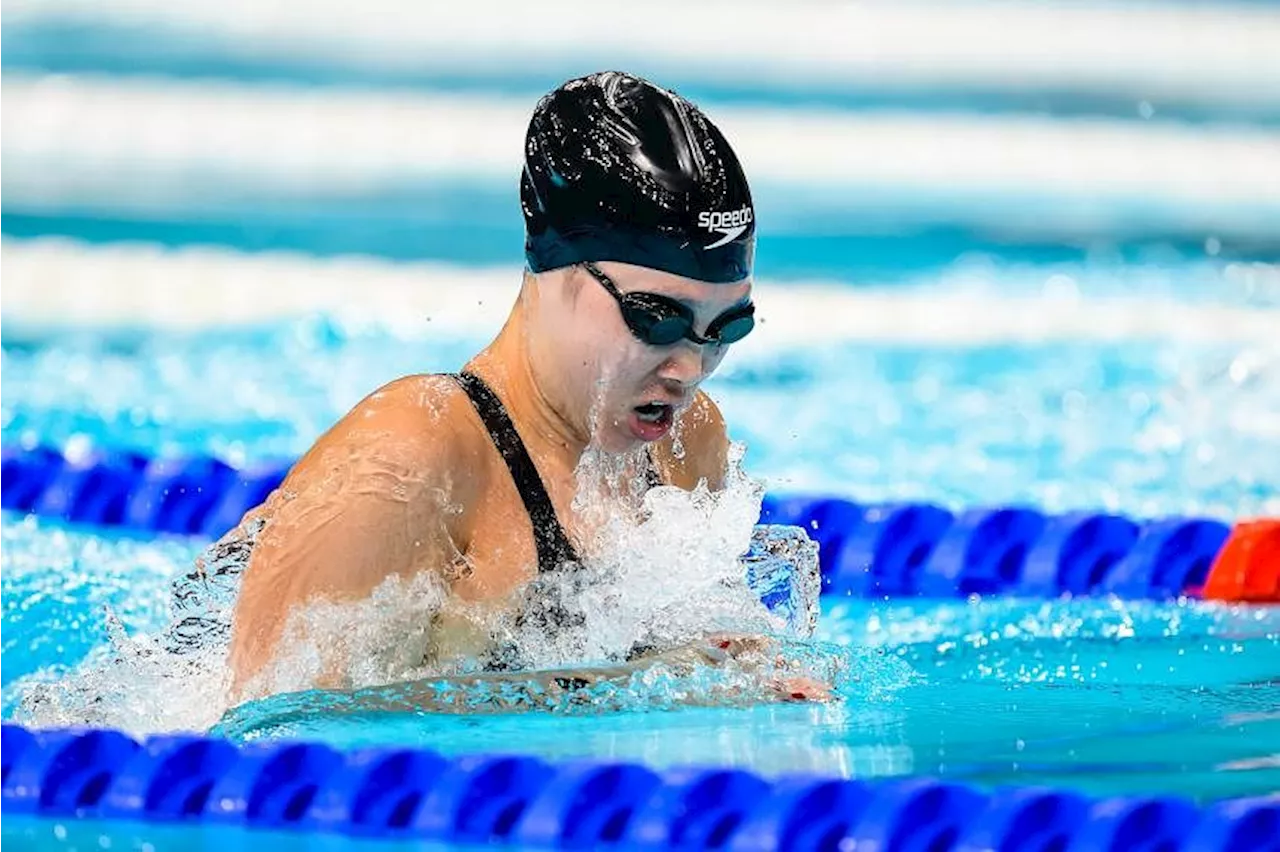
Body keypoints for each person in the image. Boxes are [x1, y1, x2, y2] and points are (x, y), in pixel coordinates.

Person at [211, 70, 828, 707]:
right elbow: (273, 725)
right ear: (552, 268)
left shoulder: (686, 446)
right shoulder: (413, 459)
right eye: (657, 319)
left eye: (726, 327)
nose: (690, 368)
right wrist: (639, 685)